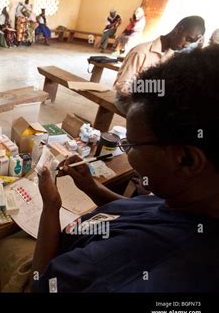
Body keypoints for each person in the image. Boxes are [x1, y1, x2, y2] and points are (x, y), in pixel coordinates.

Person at [32, 45, 219, 292]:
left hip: (51, 259)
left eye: (131, 145)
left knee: (8, 249)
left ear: (186, 160)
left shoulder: (127, 263)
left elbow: (41, 285)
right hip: (80, 238)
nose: (127, 151)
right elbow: (138, 213)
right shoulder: (191, 200)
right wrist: (91, 186)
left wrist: (51, 207)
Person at [114, 15, 205, 114]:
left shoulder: (172, 56)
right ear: (178, 29)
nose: (186, 45)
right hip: (127, 98)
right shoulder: (142, 51)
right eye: (188, 39)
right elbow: (122, 85)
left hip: (150, 97)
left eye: (192, 42)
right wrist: (151, 92)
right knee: (158, 117)